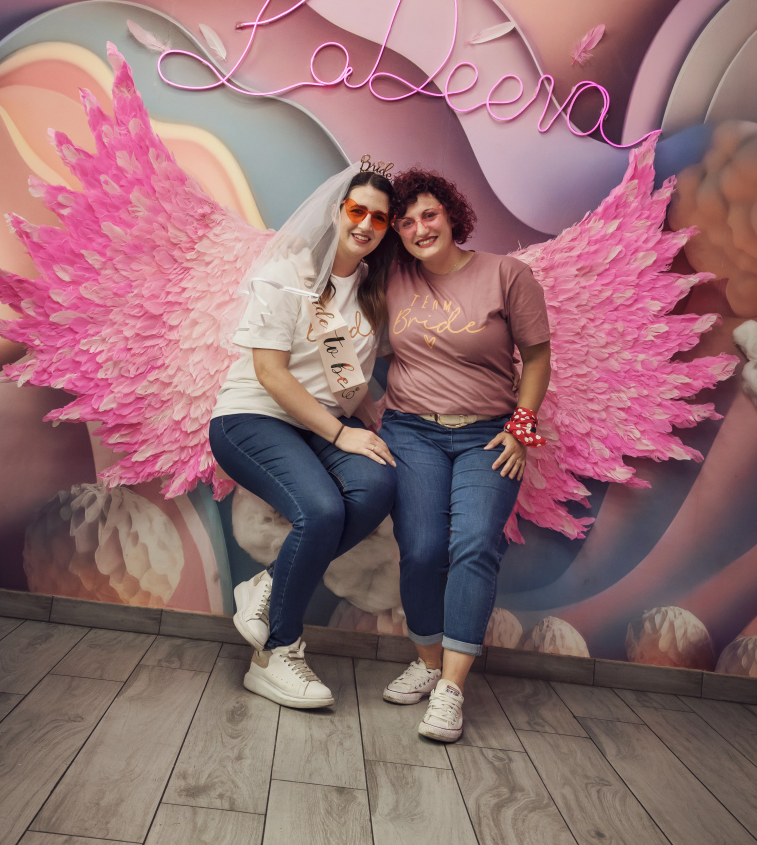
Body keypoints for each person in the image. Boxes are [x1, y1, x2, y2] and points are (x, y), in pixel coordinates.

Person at [209, 162, 398, 708]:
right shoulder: (287, 272)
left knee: (379, 485)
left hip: (321, 425)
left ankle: (268, 586)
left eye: (379, 218)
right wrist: (342, 435)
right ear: (338, 211)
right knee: (321, 509)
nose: (366, 224)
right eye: (357, 210)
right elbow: (270, 373)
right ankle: (276, 654)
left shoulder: (373, 290)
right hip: (253, 417)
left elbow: (345, 375)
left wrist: (371, 416)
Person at [379, 168, 551, 742]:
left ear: (451, 214)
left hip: (489, 435)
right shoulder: (392, 276)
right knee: (422, 550)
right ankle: (428, 664)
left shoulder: (507, 274)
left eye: (428, 214)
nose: (420, 229)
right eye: (406, 222)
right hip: (411, 432)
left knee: (475, 543)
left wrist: (520, 429)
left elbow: (537, 358)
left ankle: (450, 690)